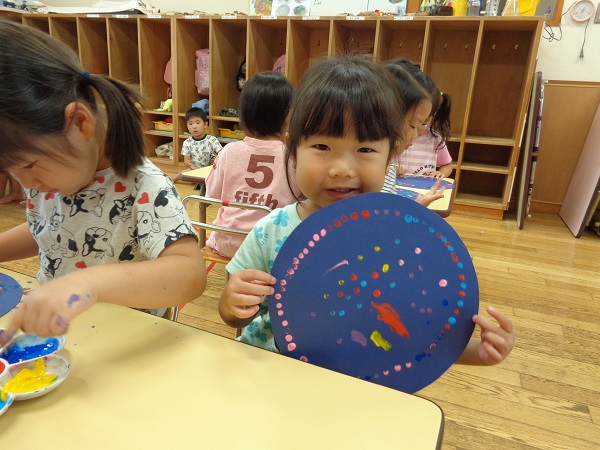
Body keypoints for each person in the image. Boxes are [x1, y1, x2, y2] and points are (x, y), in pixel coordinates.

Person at [218, 55, 514, 368]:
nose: (342, 169)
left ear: (390, 157)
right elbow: (233, 316)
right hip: (271, 376)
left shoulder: (404, 242)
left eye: (365, 150)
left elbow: (419, 332)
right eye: (322, 147)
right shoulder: (270, 232)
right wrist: (231, 304)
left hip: (355, 384)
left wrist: (477, 352)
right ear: (292, 150)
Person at [0, 20, 207, 340]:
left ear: (79, 123)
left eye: (28, 165)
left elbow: (189, 274)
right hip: (66, 335)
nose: (28, 183)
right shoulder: (50, 179)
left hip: (127, 342)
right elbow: (51, 228)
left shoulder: (145, 187)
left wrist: (87, 283)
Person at [204, 71, 297, 258]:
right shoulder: (293, 156)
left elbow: (211, 195)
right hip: (274, 247)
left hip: (229, 242)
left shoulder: (228, 151)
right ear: (288, 117)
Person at [381, 59, 452, 194]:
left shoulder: (387, 167)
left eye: (423, 124)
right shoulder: (373, 170)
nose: (415, 135)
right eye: (413, 126)